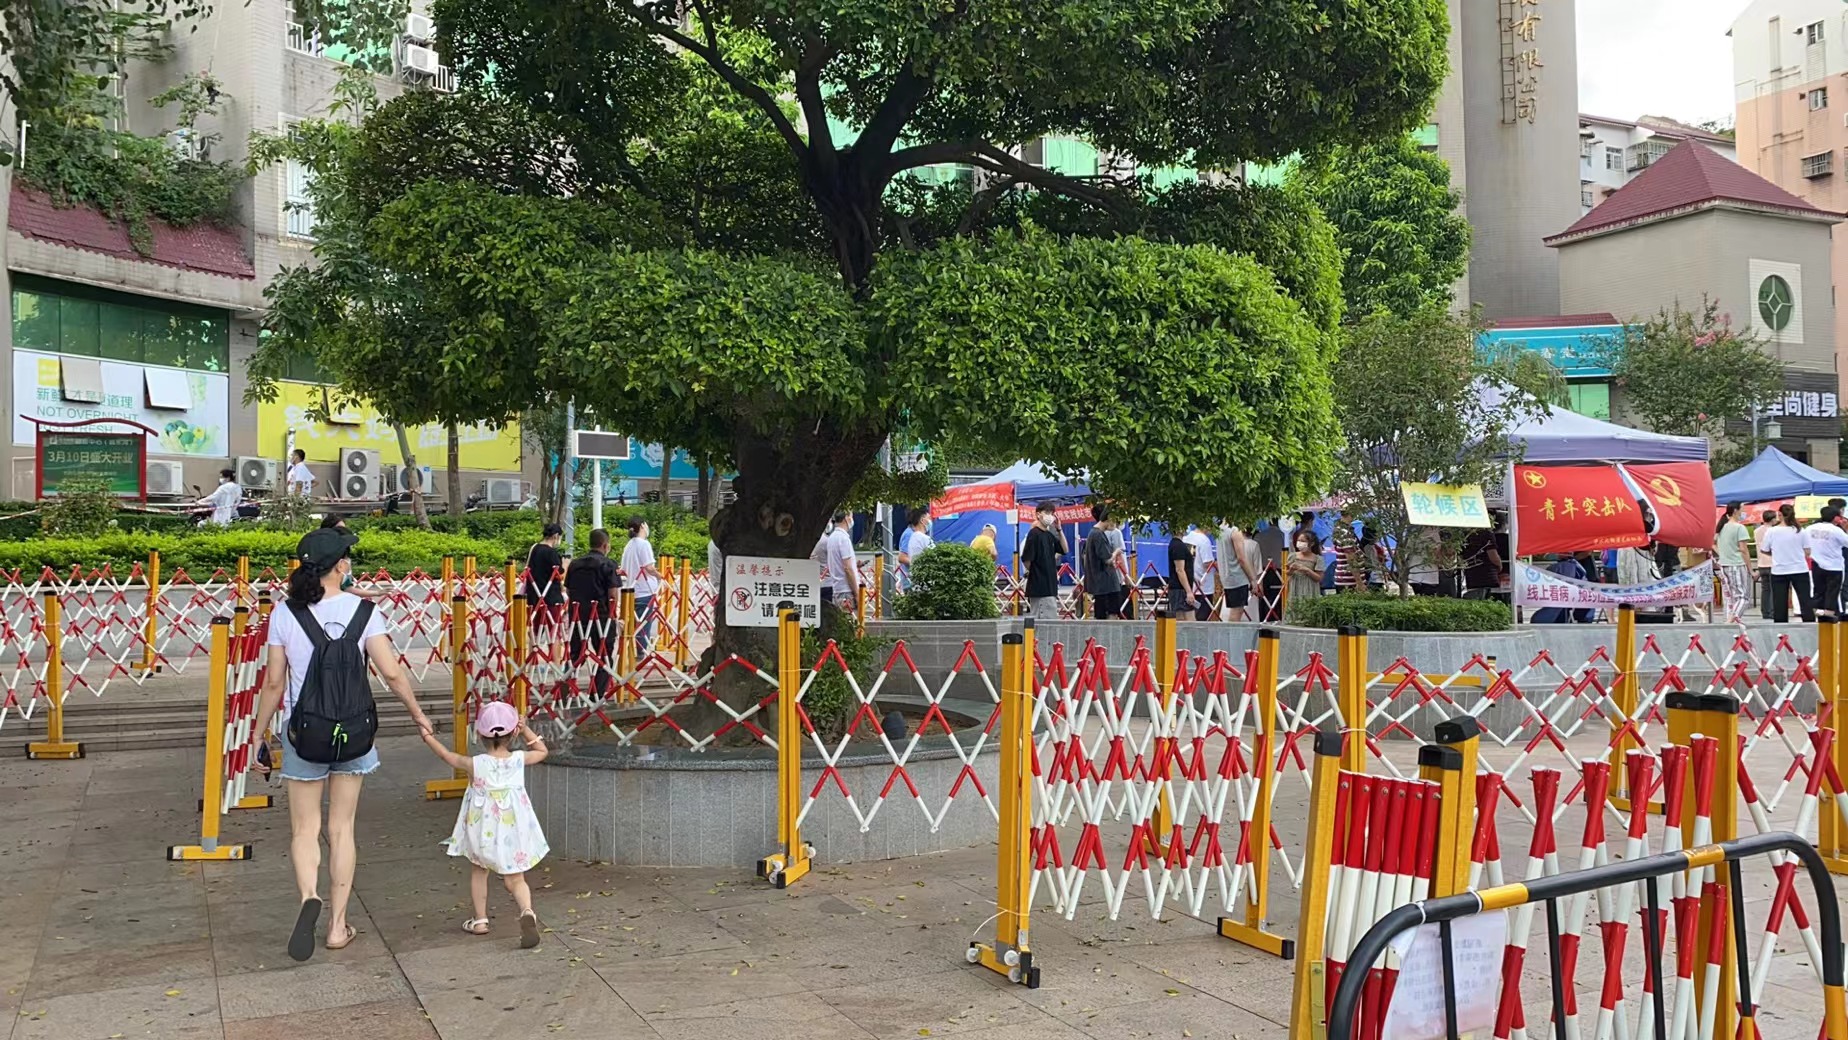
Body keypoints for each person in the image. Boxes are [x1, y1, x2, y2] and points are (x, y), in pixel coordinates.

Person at [250, 527, 433, 961]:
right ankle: (337, 926)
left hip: (304, 733)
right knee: (342, 828)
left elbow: (274, 683)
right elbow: (391, 673)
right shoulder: (364, 611)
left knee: (304, 829)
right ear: (341, 566)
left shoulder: (284, 613)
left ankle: (309, 896)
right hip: (354, 732)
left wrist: (258, 734)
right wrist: (418, 714)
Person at [422, 700, 550, 947]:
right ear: (513, 733)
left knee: (479, 871)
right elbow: (542, 751)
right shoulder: (519, 759)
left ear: (479, 734)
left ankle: (480, 920)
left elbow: (446, 756)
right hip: (513, 829)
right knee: (516, 878)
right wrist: (526, 729)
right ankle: (526, 911)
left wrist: (428, 737)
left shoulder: (475, 763)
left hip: (483, 830)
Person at [564, 528, 620, 696]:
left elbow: (568, 590)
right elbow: (612, 593)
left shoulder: (575, 564)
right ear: (605, 545)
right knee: (604, 655)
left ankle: (563, 689)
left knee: (575, 655)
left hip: (578, 615)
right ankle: (596, 694)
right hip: (601, 615)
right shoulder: (609, 564)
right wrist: (614, 613)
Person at [1764, 503, 1815, 623]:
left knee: (1779, 602)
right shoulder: (1800, 530)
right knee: (1805, 600)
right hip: (1800, 569)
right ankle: (1810, 625)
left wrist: (1777, 554)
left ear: (1779, 515)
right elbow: (1807, 551)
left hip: (1779, 570)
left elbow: (1764, 549)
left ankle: (1781, 628)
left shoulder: (1771, 531)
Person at [524, 523, 567, 661]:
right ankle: (556, 664)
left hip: (534, 596)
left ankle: (532, 663)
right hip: (551, 597)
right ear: (556, 536)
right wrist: (565, 566)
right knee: (554, 632)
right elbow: (558, 573)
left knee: (535, 631)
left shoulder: (534, 549)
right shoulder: (551, 553)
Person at [620, 517, 660, 655]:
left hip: (631, 590)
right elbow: (649, 567)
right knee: (643, 624)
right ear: (643, 526)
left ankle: (631, 651)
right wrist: (660, 576)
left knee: (633, 623)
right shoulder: (644, 544)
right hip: (645, 590)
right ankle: (640, 652)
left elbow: (624, 569)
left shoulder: (629, 545)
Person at [1021, 502, 1065, 620]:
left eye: (1051, 513)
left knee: (1050, 618)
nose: (1050, 516)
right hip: (1040, 586)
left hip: (1050, 585)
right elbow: (1026, 559)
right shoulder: (1034, 534)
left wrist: (1059, 529)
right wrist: (1037, 572)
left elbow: (1064, 549)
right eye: (1047, 512)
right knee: (1042, 620)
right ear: (1038, 514)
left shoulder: (1049, 535)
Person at [1083, 505, 1127, 620]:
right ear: (1109, 519)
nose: (1115, 524)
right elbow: (1107, 559)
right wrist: (1116, 552)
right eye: (1114, 520)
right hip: (1106, 584)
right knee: (1110, 613)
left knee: (1101, 613)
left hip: (1100, 584)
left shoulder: (1093, 533)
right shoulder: (1098, 535)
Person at [819, 511, 860, 632]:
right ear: (846, 518)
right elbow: (847, 568)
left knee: (840, 626)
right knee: (851, 627)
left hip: (837, 589)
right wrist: (857, 593)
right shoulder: (843, 539)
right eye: (851, 516)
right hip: (847, 590)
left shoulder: (832, 538)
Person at [1714, 503, 1751, 626]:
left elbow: (1712, 543)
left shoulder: (1721, 527)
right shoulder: (1739, 528)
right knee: (1742, 597)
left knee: (1729, 597)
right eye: (1742, 510)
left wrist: (1722, 553)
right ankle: (1731, 620)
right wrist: (1751, 569)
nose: (1743, 512)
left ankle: (1728, 620)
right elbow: (1744, 550)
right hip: (1736, 564)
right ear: (1735, 511)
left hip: (1724, 565)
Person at [1807, 506, 1848, 617]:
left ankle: (1820, 612)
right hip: (1834, 566)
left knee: (1819, 589)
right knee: (1833, 591)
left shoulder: (1810, 528)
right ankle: (1832, 613)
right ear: (1836, 518)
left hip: (1816, 564)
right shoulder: (1836, 530)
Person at [1216, 522, 1262, 622]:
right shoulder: (1235, 532)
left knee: (1233, 612)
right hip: (1238, 578)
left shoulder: (1221, 529)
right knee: (1236, 613)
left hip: (1227, 577)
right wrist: (1253, 579)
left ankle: (1230, 632)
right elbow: (1242, 558)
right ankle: (1233, 633)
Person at [1462, 521, 1505, 601]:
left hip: (1471, 576)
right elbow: (1493, 555)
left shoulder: (1465, 535)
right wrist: (1499, 566)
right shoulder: (1487, 533)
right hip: (1488, 577)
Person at [1183, 524, 1216, 621]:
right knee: (1202, 618)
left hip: (1189, 584)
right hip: (1203, 587)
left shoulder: (1186, 538)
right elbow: (1208, 563)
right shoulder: (1204, 540)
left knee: (1189, 617)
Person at [1166, 525, 1197, 618]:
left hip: (1179, 589)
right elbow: (1180, 570)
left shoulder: (1175, 544)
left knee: (1184, 618)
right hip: (1180, 590)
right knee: (1187, 620)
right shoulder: (1178, 546)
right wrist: (1188, 591)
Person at [1287, 531, 1324, 608]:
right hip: (1295, 589)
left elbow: (1319, 578)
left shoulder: (1317, 559)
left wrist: (1307, 570)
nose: (1300, 543)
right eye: (1298, 540)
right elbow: (1287, 573)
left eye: (1303, 541)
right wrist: (1291, 570)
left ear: (1312, 543)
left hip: (1310, 590)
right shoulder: (1293, 556)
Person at [1757, 509, 1779, 619]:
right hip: (1772, 563)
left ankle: (1765, 612)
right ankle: (1771, 612)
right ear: (1772, 519)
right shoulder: (1774, 531)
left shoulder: (1757, 531)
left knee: (1765, 589)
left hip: (1761, 563)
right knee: (1773, 589)